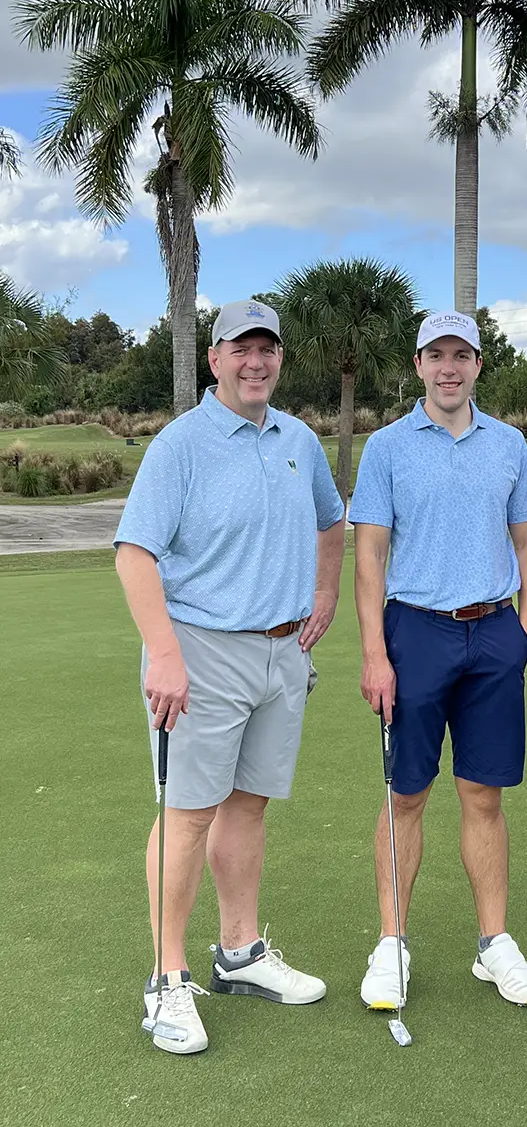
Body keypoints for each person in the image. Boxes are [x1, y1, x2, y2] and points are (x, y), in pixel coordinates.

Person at [114, 298, 345, 1055]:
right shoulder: (181, 444)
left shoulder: (298, 439)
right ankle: (166, 979)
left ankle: (239, 953)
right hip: (202, 651)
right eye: (239, 349)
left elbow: (330, 521)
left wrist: (323, 594)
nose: (255, 361)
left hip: (281, 653)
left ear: (280, 359)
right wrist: (166, 655)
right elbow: (135, 553)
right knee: (188, 814)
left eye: (267, 349)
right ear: (214, 359)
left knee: (247, 808)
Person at [349, 310, 527, 1010]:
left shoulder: (509, 444)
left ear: (478, 365)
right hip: (414, 632)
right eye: (436, 355)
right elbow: (369, 554)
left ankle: (493, 945)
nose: (448, 367)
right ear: (417, 365)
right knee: (407, 793)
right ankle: (391, 945)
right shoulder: (387, 446)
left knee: (483, 795)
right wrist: (374, 652)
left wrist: (522, 630)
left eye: (460, 354)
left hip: (492, 633)